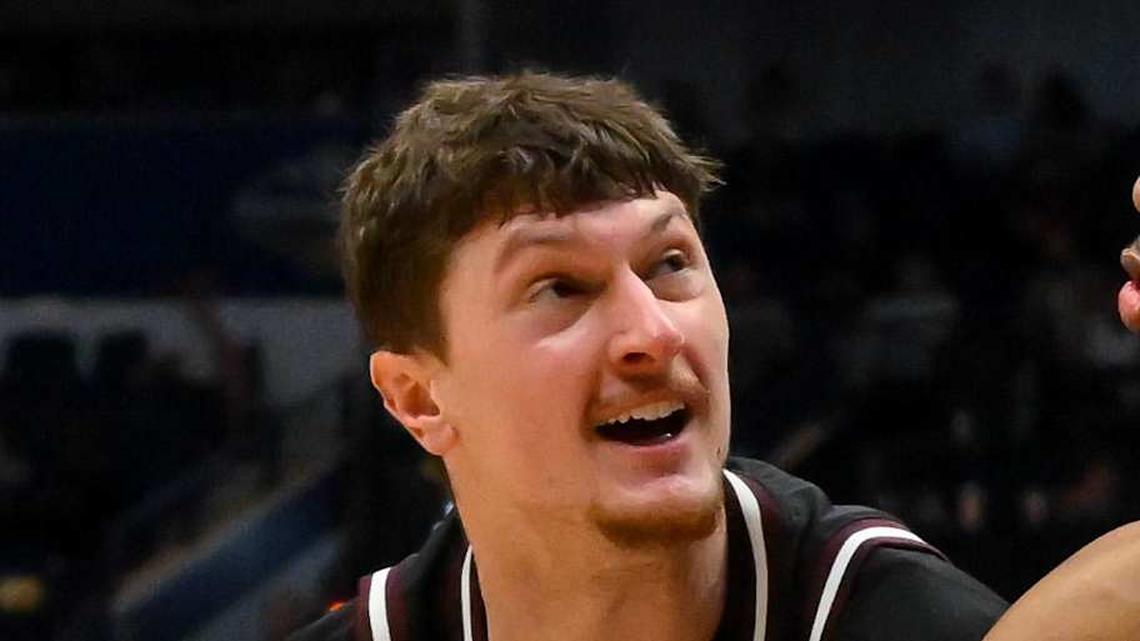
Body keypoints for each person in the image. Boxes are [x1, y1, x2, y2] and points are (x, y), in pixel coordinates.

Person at [291, 72, 1007, 641]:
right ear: (419, 398)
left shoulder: (897, 615)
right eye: (560, 286)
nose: (654, 333)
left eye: (669, 263)